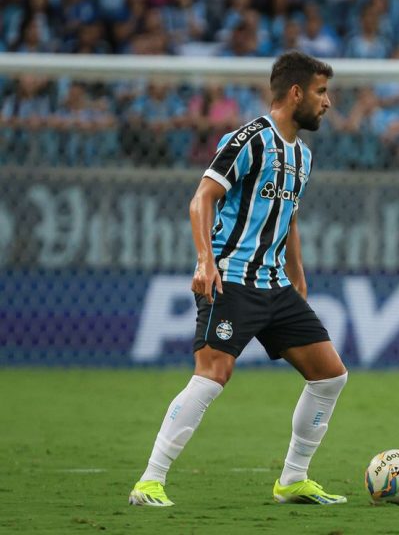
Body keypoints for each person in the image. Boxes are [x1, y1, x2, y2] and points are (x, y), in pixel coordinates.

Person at [128, 51, 348, 507]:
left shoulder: (303, 156)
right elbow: (201, 199)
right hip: (231, 279)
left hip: (274, 285)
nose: (328, 102)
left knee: (329, 375)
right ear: (295, 93)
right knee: (212, 376)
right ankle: (149, 481)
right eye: (321, 92)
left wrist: (298, 281)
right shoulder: (249, 139)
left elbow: (288, 220)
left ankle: (292, 479)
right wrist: (205, 261)